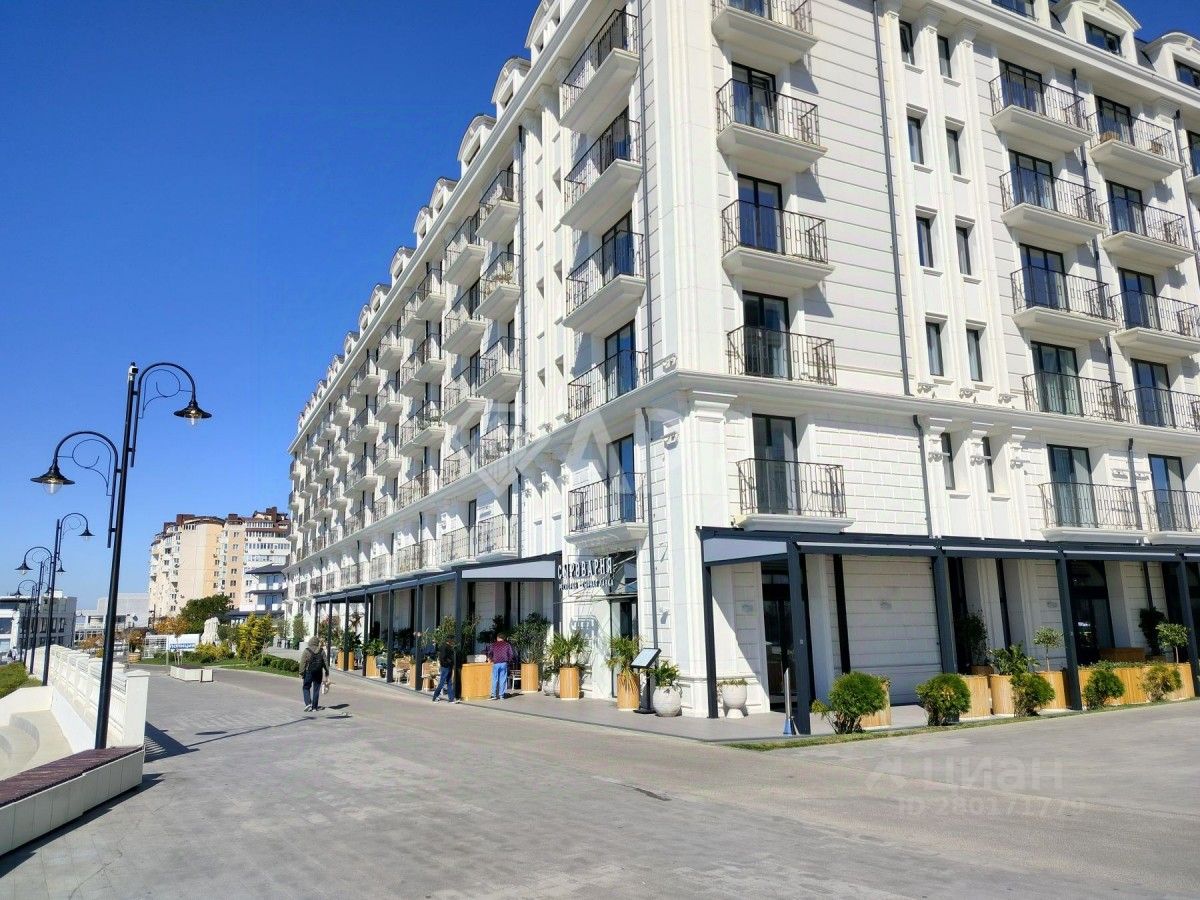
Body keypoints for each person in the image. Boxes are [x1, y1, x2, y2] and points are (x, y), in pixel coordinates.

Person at [300, 635, 329, 712]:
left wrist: (301, 673)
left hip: (308, 672)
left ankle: (308, 704)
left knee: (306, 687)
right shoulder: (321, 651)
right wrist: (327, 672)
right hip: (319, 673)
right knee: (316, 690)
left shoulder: (306, 651)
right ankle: (314, 707)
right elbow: (325, 662)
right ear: (317, 643)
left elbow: (302, 663)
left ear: (310, 642)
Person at [487, 632, 515, 700]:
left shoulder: (493, 644)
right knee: (503, 679)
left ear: (497, 638)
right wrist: (508, 661)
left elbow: (490, 653)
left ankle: (493, 695)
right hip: (504, 663)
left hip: (496, 663)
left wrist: (490, 659)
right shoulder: (507, 645)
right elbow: (511, 654)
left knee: (494, 679)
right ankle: (501, 695)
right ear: (504, 638)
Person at [432, 637, 456, 703]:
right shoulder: (444, 647)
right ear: (449, 641)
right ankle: (435, 697)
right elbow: (443, 658)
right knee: (442, 682)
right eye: (452, 641)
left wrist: (451, 663)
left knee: (449, 682)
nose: (453, 642)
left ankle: (451, 699)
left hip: (448, 666)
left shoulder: (448, 647)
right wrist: (449, 662)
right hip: (446, 667)